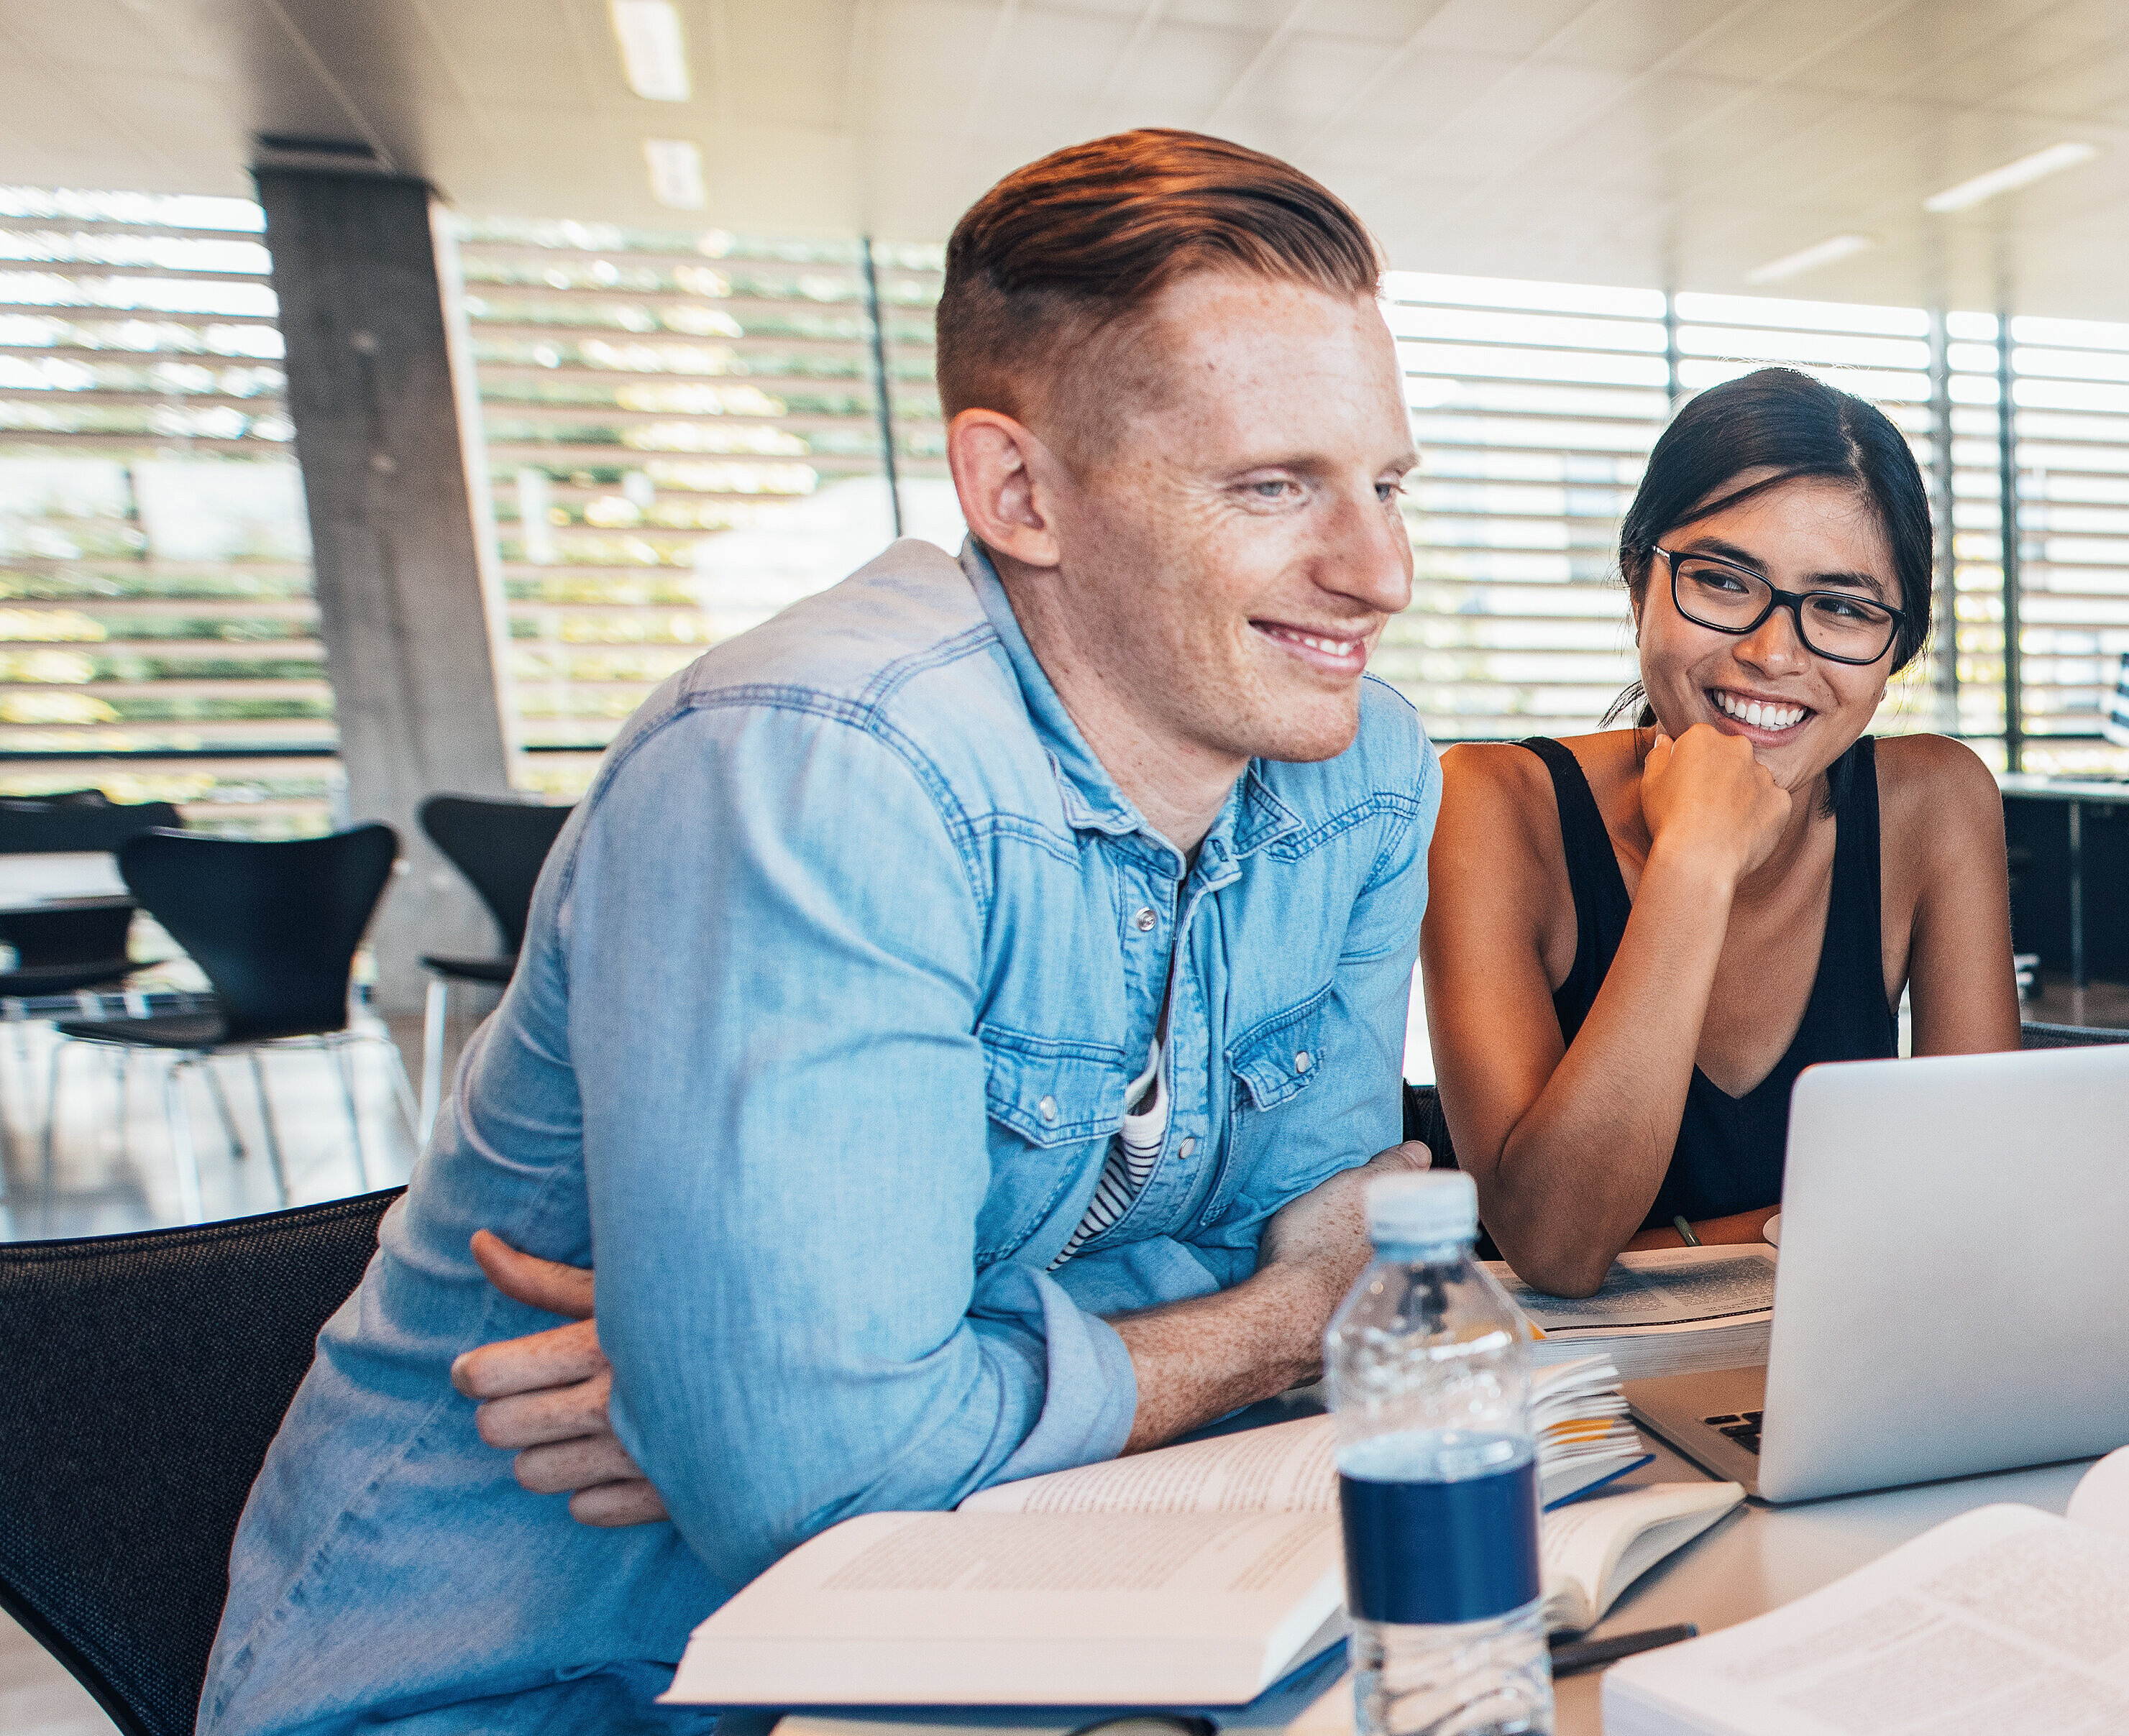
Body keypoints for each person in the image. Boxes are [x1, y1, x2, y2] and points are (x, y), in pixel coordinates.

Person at [203, 130, 1435, 1733]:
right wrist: (1267, 1324)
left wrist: (828, 1374)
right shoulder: (821, 759)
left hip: (1009, 1614)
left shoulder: (1356, 765)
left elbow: (1342, 1228)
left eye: (1388, 482)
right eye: (1270, 486)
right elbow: (826, 1476)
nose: (1378, 571)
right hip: (571, 1682)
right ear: (1017, 490)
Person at [1420, 368, 2015, 1292]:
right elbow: (1555, 1246)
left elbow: (1975, 1204)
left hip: (1849, 1364)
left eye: (1845, 608)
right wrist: (1694, 859)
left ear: (1896, 648)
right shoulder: (1491, 805)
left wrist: (1667, 1248)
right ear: (1637, 585)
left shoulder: (1932, 805)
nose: (1772, 654)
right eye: (1722, 581)